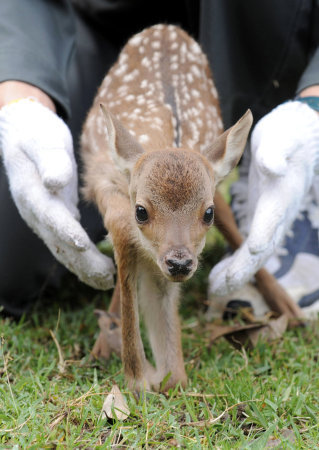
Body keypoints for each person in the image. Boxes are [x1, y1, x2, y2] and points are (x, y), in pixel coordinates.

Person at [0, 0, 318, 318]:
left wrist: (312, 108)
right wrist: (22, 97)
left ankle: (284, 153)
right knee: (8, 255)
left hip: (252, 49)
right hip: (103, 37)